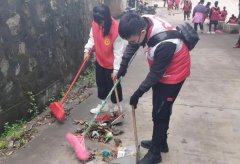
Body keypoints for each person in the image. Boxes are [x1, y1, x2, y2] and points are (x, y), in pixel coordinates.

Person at [117, 13, 191, 163]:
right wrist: (123, 66)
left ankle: (155, 153)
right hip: (163, 70)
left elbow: (156, 74)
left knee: (160, 112)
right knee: (159, 108)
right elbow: (133, 44)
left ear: (142, 33)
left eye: (133, 39)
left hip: (174, 74)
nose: (132, 43)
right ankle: (160, 142)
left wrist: (138, 93)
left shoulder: (165, 44)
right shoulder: (142, 22)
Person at [84, 4, 126, 114]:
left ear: (106, 18)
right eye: (97, 22)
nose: (99, 24)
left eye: (101, 22)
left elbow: (118, 52)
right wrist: (87, 50)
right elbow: (92, 38)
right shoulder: (96, 23)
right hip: (100, 61)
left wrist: (116, 70)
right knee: (101, 84)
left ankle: (117, 106)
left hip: (112, 64)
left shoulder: (116, 30)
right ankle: (105, 105)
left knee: (114, 86)